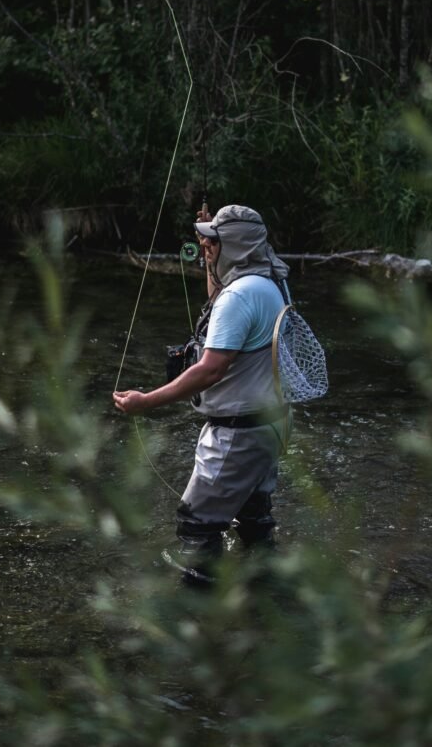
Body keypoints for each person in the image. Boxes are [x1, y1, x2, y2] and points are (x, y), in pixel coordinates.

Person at [113, 204, 292, 582]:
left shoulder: (239, 298)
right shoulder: (268, 281)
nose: (206, 244)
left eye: (213, 240)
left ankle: (201, 619)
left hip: (237, 434)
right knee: (253, 518)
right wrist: (212, 253)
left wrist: (147, 401)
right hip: (268, 426)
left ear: (234, 244)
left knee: (197, 527)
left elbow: (211, 369)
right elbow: (219, 296)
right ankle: (269, 598)